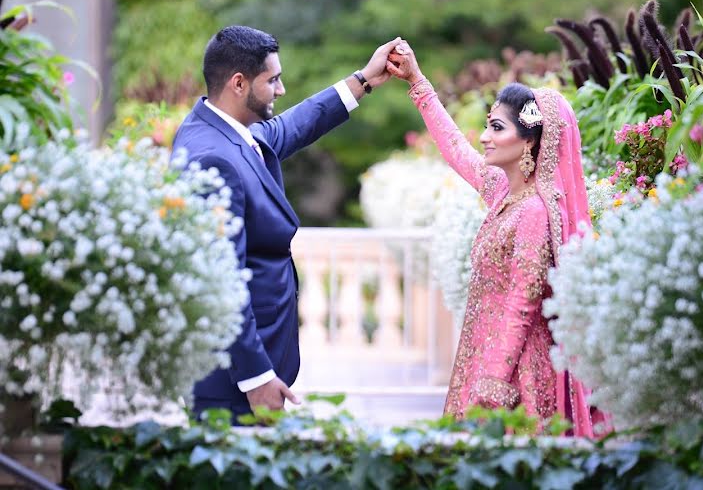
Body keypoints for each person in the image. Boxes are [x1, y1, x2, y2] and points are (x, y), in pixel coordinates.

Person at [173, 25, 403, 421]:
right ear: (239, 83)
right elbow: (220, 281)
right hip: (231, 381)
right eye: (273, 80)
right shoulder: (210, 158)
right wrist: (256, 377)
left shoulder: (228, 133)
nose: (281, 90)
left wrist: (363, 81)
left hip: (250, 372)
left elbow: (292, 126)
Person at [386, 42, 612, 437]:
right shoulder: (503, 192)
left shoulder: (534, 213)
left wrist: (493, 380)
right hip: (483, 356)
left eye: (496, 128)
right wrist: (417, 82)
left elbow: (522, 305)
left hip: (516, 371)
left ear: (528, 142)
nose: (485, 138)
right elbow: (456, 148)